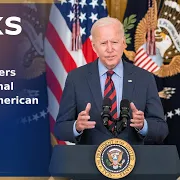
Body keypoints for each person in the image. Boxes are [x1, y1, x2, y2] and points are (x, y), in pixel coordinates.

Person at [54, 17, 168, 145]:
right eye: (103, 43)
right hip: (89, 161)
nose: (109, 49)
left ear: (124, 43)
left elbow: (162, 129)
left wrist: (143, 125)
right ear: (94, 46)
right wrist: (77, 126)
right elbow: (60, 129)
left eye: (114, 42)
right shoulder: (76, 78)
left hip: (134, 161)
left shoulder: (144, 78)